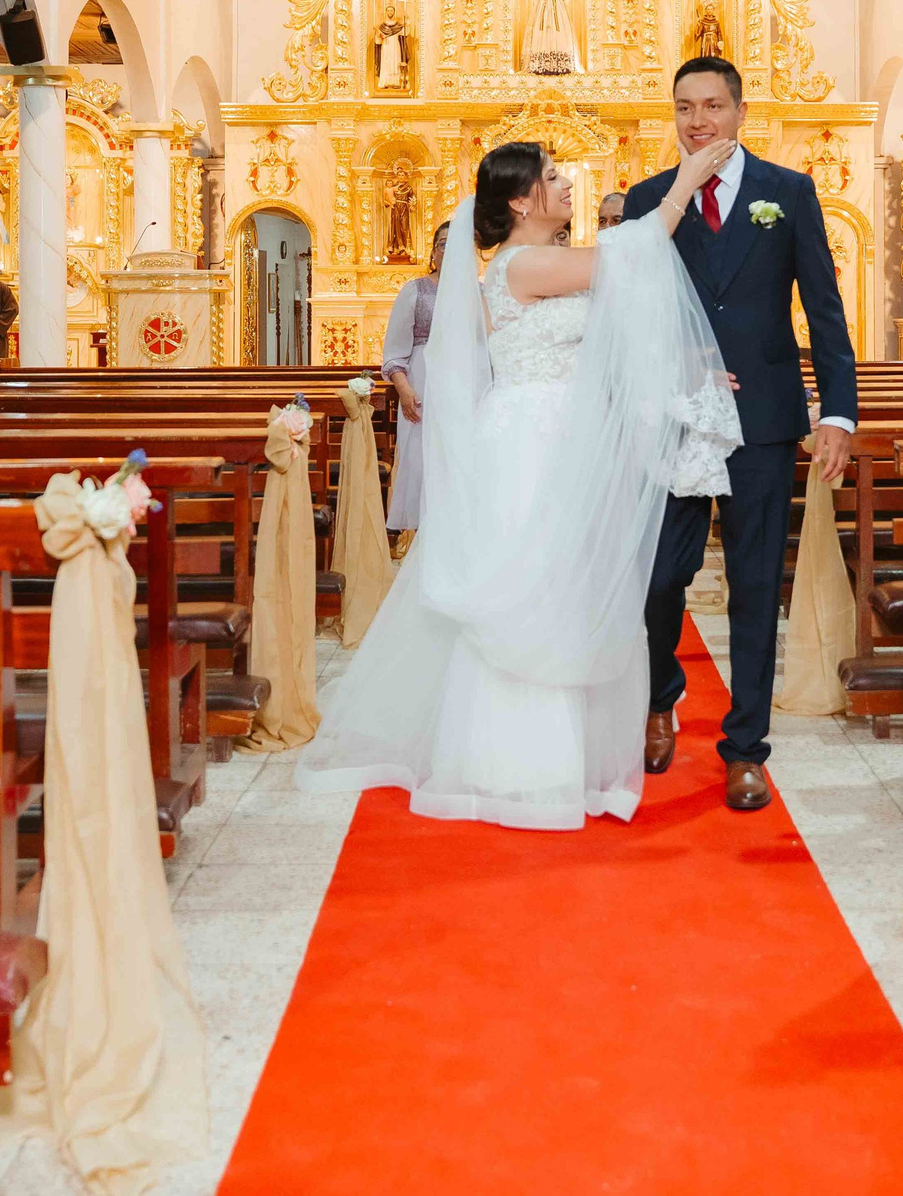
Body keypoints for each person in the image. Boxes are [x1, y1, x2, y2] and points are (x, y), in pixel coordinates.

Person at [295, 138, 741, 831]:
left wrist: (689, 373)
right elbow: (630, 256)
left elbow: (614, 332)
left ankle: (554, 756)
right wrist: (684, 182)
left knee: (557, 589)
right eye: (553, 177)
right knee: (532, 590)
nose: (566, 184)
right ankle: (516, 764)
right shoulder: (525, 264)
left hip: (557, 434)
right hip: (534, 442)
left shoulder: (533, 262)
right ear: (520, 201)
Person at [622, 55, 858, 813]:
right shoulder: (649, 200)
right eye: (685, 107)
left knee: (755, 585)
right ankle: (659, 696)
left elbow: (824, 308)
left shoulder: (788, 192)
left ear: (740, 111)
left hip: (762, 420)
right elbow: (629, 313)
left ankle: (747, 747)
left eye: (712, 106)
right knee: (660, 577)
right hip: (675, 418)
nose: (698, 121)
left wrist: (838, 413)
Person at [381, 222, 451, 534]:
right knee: (422, 461)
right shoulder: (416, 291)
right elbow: (394, 353)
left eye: (456, 244)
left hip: (464, 386)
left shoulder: (479, 292)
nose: (448, 250)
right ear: (433, 252)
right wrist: (405, 389)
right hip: (422, 386)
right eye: (443, 244)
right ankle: (422, 538)